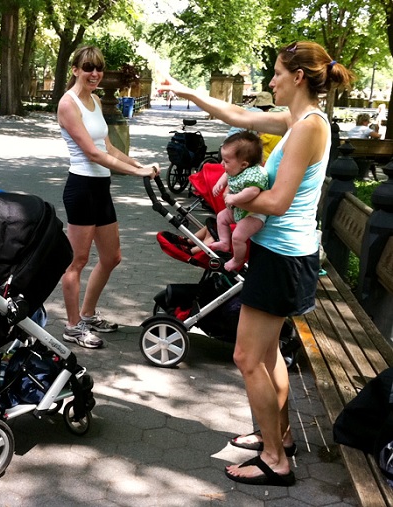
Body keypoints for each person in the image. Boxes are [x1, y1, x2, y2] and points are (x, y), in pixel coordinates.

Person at [159, 41, 354, 486]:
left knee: (247, 356)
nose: (271, 81)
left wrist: (232, 198)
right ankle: (278, 439)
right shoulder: (298, 120)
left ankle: (276, 460)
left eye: (277, 74)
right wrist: (189, 93)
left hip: (284, 257)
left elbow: (280, 200)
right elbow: (239, 117)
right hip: (281, 254)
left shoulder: (309, 126)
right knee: (266, 354)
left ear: (299, 77)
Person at [58, 45, 159, 349]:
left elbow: (109, 148)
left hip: (100, 189)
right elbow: (91, 153)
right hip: (81, 188)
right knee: (77, 261)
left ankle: (87, 314)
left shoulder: (96, 100)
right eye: (88, 67)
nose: (95, 73)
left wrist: (139, 164)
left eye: (99, 68)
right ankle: (73, 326)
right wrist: (135, 174)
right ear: (75, 69)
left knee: (112, 257)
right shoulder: (68, 103)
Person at [210, 131, 267, 272]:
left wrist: (233, 198)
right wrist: (220, 184)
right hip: (239, 210)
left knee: (238, 237)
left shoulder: (254, 175)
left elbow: (253, 191)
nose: (222, 164)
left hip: (253, 215)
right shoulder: (236, 169)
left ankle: (237, 259)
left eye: (226, 161)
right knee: (221, 217)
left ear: (244, 164)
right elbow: (226, 174)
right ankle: (224, 242)